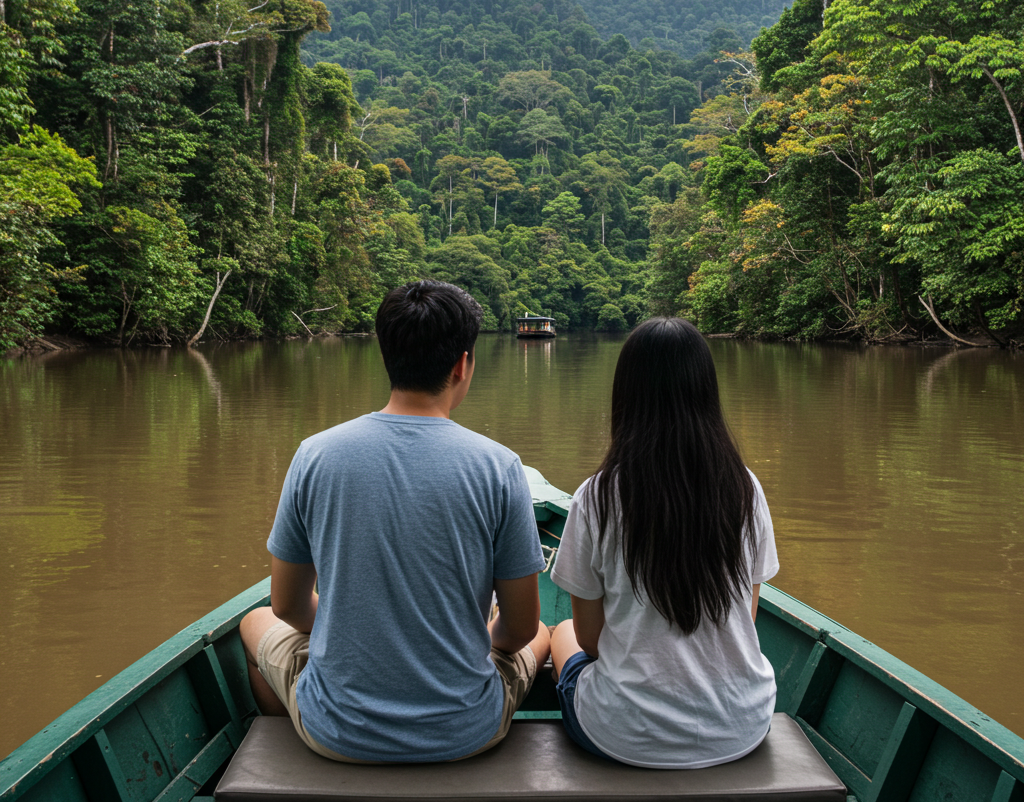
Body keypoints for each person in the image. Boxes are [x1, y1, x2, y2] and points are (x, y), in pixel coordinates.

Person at [239, 280, 550, 763]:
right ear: (463, 364)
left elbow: (287, 605)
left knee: (254, 621)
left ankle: (299, 757)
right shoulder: (500, 467)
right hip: (465, 734)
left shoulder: (315, 455)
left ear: (386, 356)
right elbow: (519, 630)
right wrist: (464, 644)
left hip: (338, 735)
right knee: (546, 632)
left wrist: (354, 630)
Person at [549, 317, 778, 769]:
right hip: (742, 724)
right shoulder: (745, 488)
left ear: (626, 395)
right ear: (706, 392)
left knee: (562, 634)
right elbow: (747, 616)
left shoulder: (597, 496)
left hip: (625, 734)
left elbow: (591, 640)